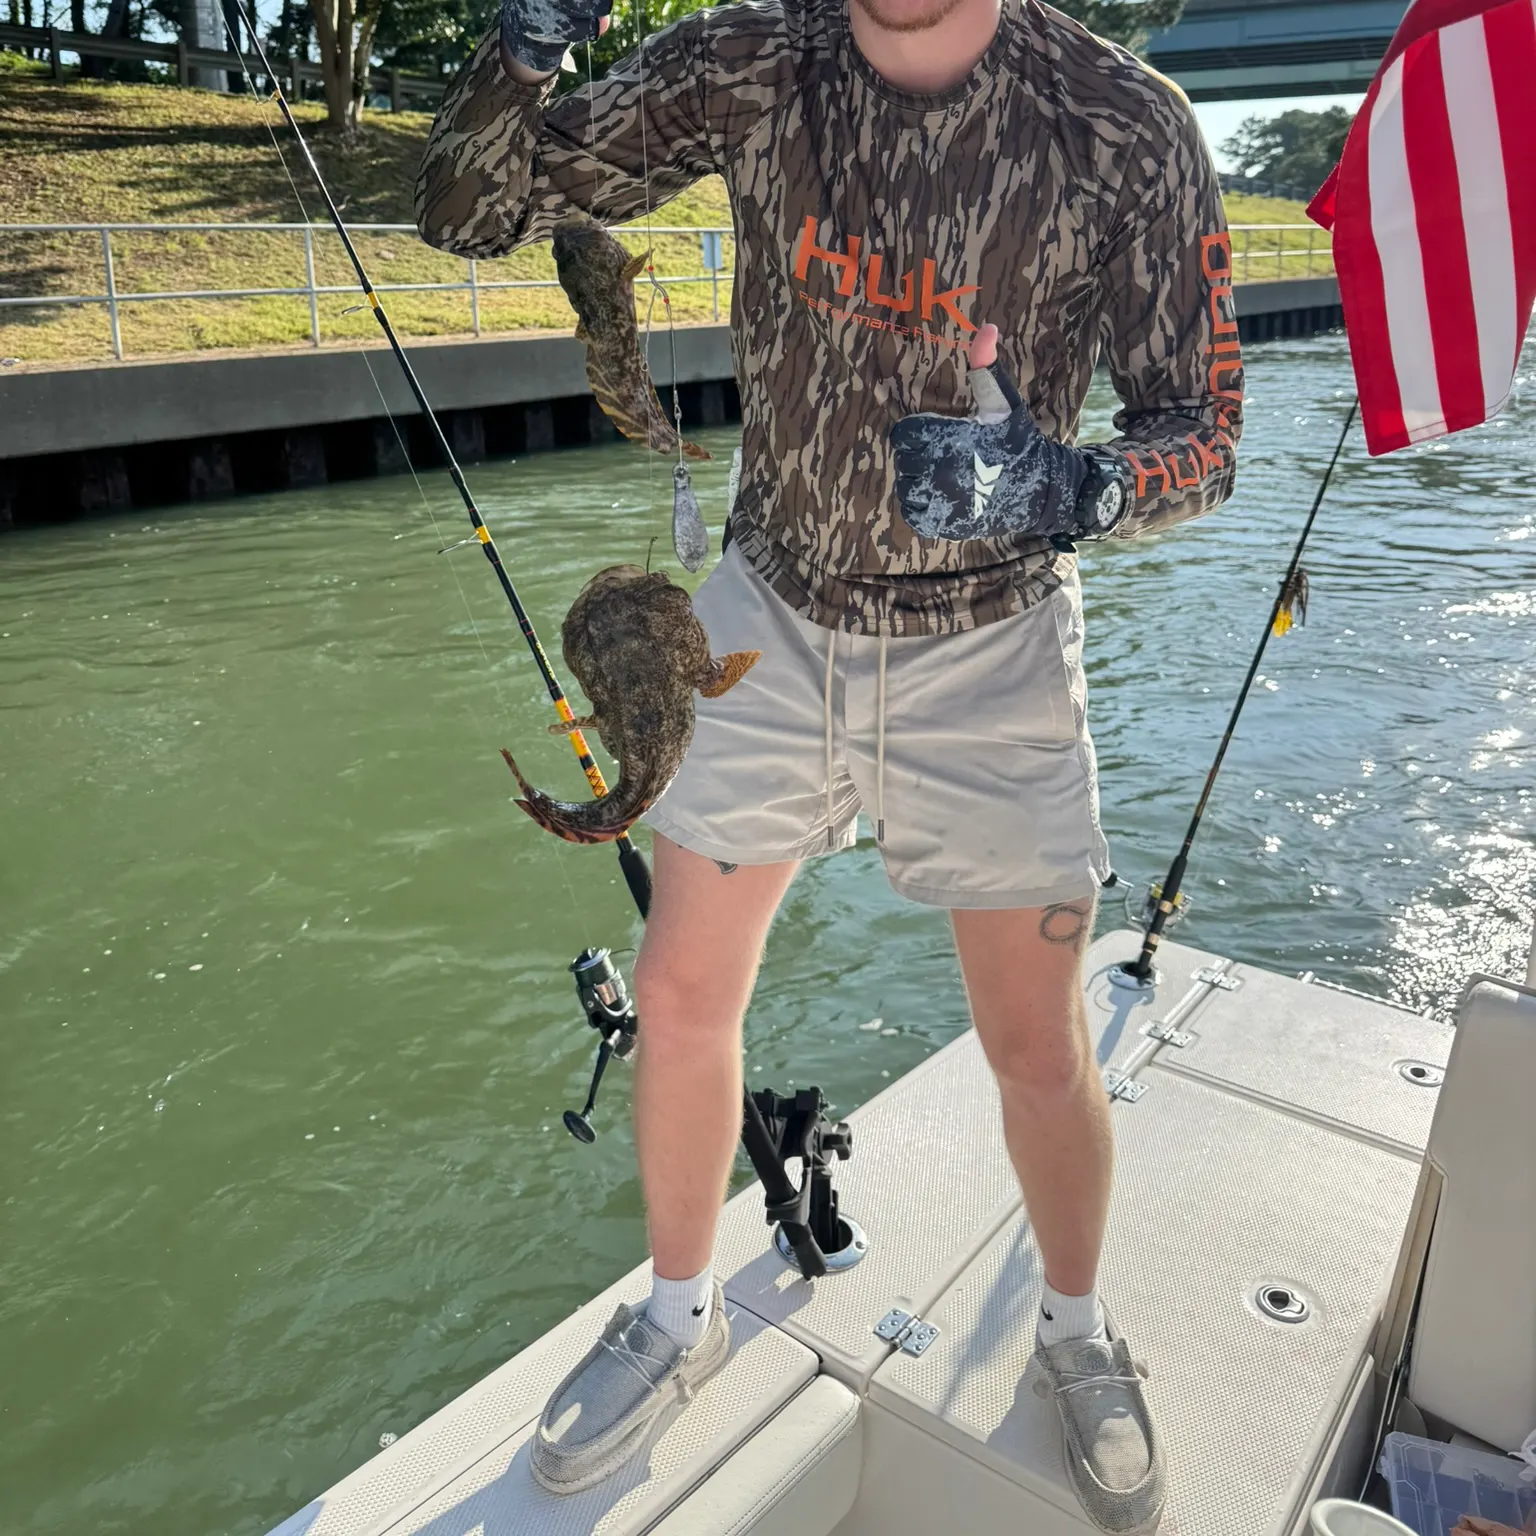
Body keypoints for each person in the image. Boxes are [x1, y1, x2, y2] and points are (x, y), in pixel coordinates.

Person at [416, 0, 1242, 1524]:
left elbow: (1206, 434)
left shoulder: (1122, 123)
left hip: (991, 637)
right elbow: (471, 212)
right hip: (769, 612)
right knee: (674, 995)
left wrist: (1073, 484)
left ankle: (1074, 1326)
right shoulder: (748, 61)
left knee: (1040, 1043)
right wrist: (528, 40)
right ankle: (679, 1312)